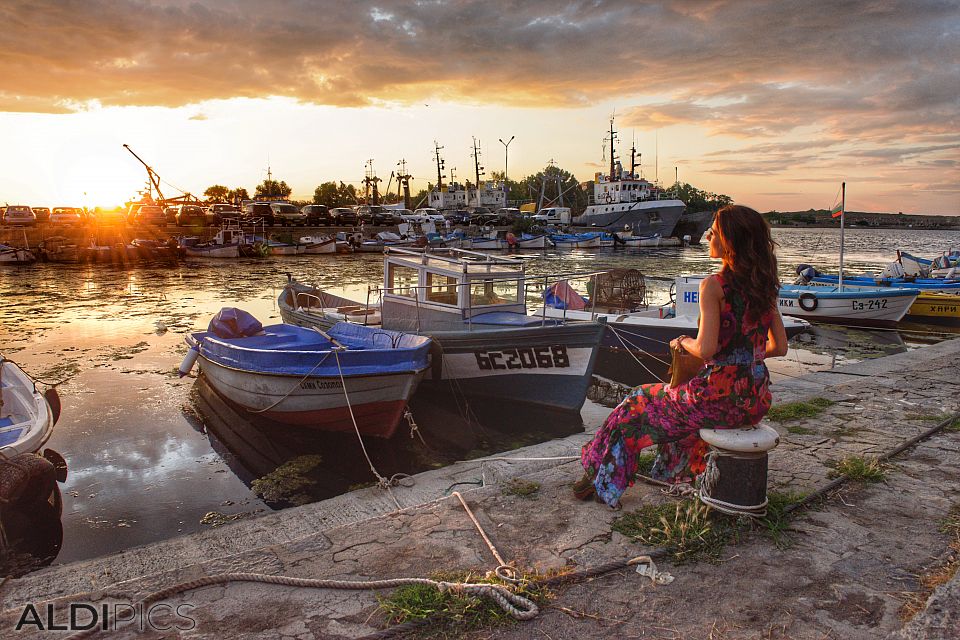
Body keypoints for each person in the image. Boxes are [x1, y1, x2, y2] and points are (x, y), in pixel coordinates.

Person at [575, 205, 789, 507]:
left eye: (713, 233)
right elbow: (779, 347)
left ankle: (601, 479)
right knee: (674, 412)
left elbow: (705, 349)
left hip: (717, 399)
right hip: (755, 400)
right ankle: (673, 473)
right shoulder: (765, 286)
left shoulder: (714, 286)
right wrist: (744, 358)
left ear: (728, 241)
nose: (708, 236)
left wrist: (684, 341)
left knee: (635, 402)